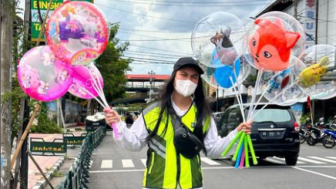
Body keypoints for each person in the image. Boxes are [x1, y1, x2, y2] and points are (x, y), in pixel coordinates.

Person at [104, 57, 252, 189]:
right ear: (174, 77)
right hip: (157, 184)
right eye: (184, 75)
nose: (189, 80)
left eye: (194, 77)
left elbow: (213, 150)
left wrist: (237, 134)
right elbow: (134, 143)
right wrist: (118, 125)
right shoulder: (153, 111)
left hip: (192, 185)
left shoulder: (203, 114)